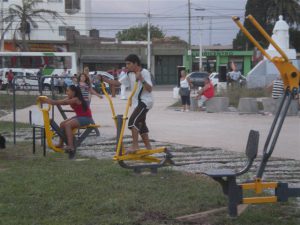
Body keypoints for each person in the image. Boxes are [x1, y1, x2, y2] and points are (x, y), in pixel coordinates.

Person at [102, 54, 153, 153]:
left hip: (145, 101)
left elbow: (150, 89)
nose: (127, 66)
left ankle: (135, 146)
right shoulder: (129, 73)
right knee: (141, 126)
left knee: (132, 122)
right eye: (126, 64)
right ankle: (149, 148)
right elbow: (118, 83)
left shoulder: (144, 72)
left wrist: (141, 79)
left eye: (129, 64)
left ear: (136, 63)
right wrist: (105, 80)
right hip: (137, 103)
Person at [39, 85, 94, 153]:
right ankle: (61, 144)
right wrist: (46, 101)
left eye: (68, 91)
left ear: (73, 92)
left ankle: (71, 146)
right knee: (62, 124)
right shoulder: (70, 98)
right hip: (79, 116)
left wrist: (49, 101)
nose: (66, 92)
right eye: (66, 90)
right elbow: (59, 102)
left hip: (86, 118)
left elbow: (63, 103)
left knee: (68, 125)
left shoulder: (76, 99)